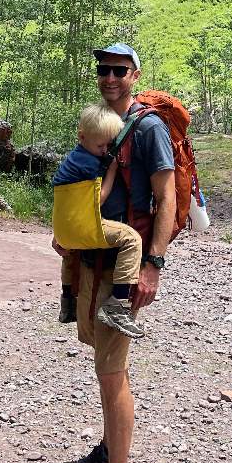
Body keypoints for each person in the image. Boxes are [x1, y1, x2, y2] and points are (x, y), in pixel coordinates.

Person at [54, 42, 175, 463]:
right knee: (107, 365)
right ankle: (108, 452)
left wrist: (152, 265)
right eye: (104, 70)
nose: (110, 78)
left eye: (119, 71)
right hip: (92, 261)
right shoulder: (99, 127)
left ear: (135, 74)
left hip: (122, 273)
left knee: (110, 368)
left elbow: (165, 199)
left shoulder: (149, 130)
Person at [53, 102, 145, 339]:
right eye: (100, 145)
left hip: (65, 228)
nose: (105, 150)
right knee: (131, 239)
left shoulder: (73, 158)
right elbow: (99, 199)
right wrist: (112, 168)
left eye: (109, 145)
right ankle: (118, 303)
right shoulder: (89, 163)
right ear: (82, 137)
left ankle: (67, 300)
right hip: (83, 225)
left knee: (72, 251)